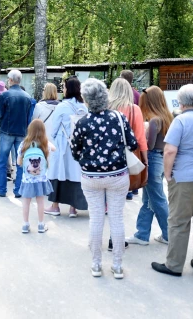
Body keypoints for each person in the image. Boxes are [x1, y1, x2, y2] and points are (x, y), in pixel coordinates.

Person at [150, 84, 193, 277]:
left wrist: (168, 174)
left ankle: (174, 264)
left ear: (180, 102)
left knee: (179, 222)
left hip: (187, 178)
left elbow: (170, 150)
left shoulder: (180, 121)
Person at [71, 78, 137, 279]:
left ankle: (96, 264)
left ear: (86, 99)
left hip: (91, 177)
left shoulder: (82, 122)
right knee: (116, 218)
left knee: (96, 218)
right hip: (118, 176)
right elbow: (132, 144)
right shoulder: (118, 118)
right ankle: (117, 266)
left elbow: (74, 152)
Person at [127, 85, 172, 246]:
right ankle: (142, 234)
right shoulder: (167, 117)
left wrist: (141, 136)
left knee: (158, 199)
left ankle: (169, 234)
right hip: (161, 160)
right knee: (148, 199)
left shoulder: (154, 121)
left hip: (152, 160)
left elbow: (149, 145)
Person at [45, 78, 88, 217]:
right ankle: (73, 208)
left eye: (63, 87)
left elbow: (54, 128)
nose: (62, 89)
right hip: (79, 146)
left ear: (68, 89)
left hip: (63, 145)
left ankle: (55, 206)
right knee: (75, 174)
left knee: (59, 173)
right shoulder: (83, 106)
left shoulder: (62, 106)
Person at [108, 78, 148, 202]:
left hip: (107, 155)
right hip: (128, 156)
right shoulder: (134, 109)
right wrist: (145, 160)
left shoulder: (105, 108)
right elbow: (140, 137)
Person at [0, 69, 33, 197]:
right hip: (22, 133)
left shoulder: (5, 95)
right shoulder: (28, 97)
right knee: (20, 162)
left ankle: (2, 190)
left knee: (2, 161)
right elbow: (30, 118)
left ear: (10, 80)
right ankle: (18, 190)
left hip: (7, 131)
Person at [18, 119, 55, 233]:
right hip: (41, 179)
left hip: (27, 179)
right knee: (40, 201)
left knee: (26, 202)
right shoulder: (44, 143)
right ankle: (40, 224)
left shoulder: (24, 144)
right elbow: (54, 149)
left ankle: (25, 224)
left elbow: (19, 162)